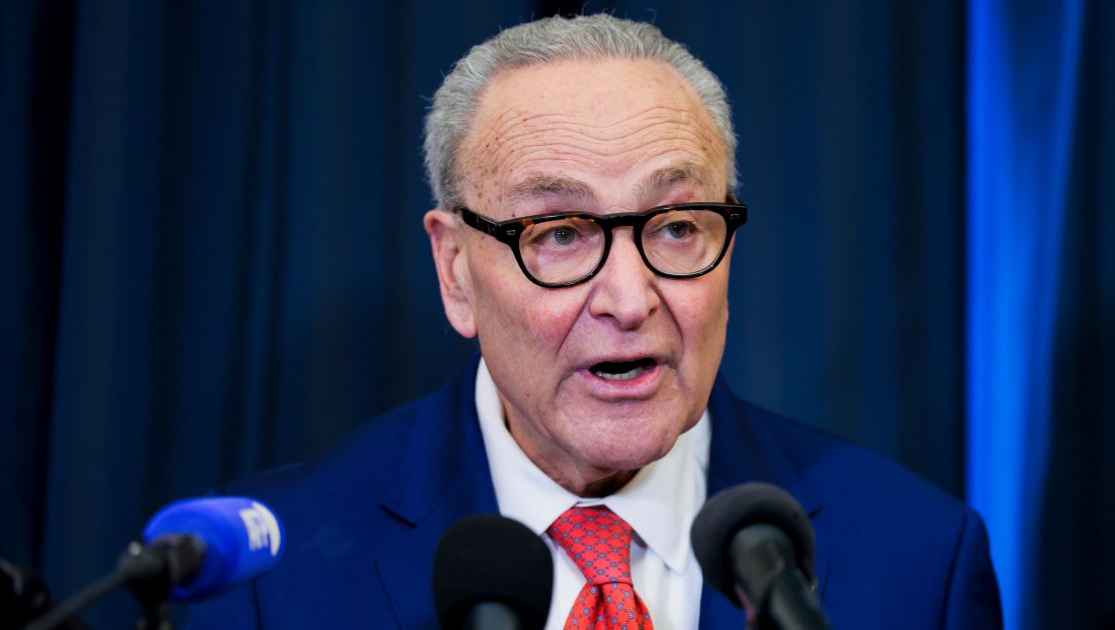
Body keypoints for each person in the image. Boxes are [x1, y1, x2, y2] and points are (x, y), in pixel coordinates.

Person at [190, 14, 1001, 629]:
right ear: (456, 271)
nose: (629, 298)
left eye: (676, 227)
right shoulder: (271, 577)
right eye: (559, 235)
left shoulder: (918, 561)